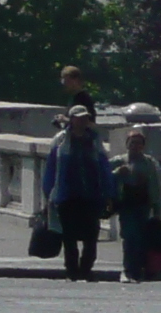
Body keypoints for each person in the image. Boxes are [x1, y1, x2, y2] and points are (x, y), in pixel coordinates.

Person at [41, 104, 115, 281]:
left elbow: (104, 166)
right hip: (67, 195)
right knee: (69, 236)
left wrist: (109, 193)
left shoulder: (94, 140)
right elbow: (51, 168)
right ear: (71, 119)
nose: (83, 121)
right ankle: (72, 270)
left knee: (91, 236)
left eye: (85, 118)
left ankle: (86, 268)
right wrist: (48, 193)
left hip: (91, 194)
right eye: (79, 117)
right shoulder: (60, 140)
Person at [115, 125, 161, 281]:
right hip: (126, 204)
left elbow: (154, 185)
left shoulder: (148, 162)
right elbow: (102, 176)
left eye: (138, 143)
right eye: (132, 142)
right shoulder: (119, 160)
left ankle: (140, 269)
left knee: (142, 238)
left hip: (143, 205)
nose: (135, 146)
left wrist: (157, 209)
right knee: (129, 238)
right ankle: (128, 270)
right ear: (127, 144)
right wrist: (116, 173)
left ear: (143, 146)